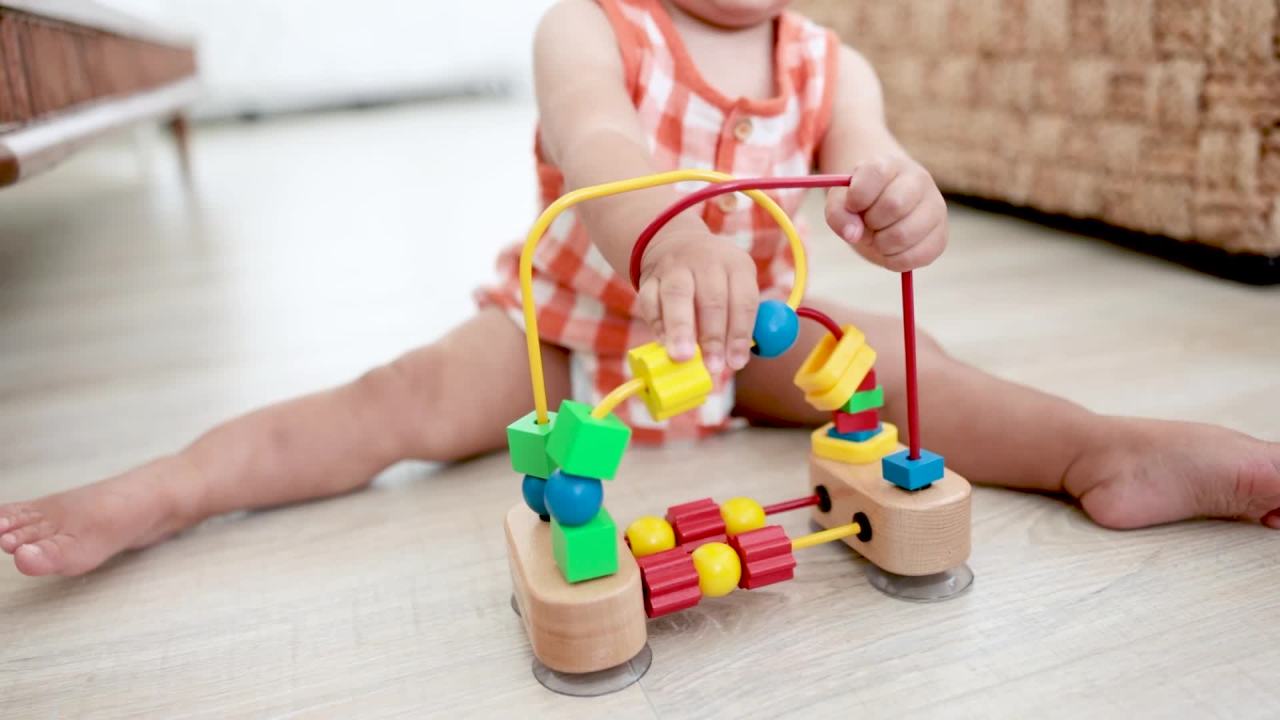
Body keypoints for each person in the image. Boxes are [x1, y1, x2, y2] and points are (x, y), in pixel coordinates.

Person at [3, 0, 1277, 578]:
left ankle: (1101, 453)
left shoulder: (829, 62)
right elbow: (600, 146)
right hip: (567, 334)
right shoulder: (590, 26)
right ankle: (166, 492)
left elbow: (873, 164)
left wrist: (899, 198)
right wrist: (666, 238)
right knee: (386, 405)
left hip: (755, 336)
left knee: (916, 379)